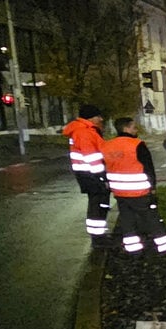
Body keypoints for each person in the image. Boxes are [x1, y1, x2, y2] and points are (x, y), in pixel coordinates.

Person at [102, 117, 166, 257]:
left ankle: (134, 250)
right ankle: (165, 248)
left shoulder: (107, 145)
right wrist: (152, 187)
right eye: (134, 127)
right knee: (151, 219)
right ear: (126, 128)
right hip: (139, 191)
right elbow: (148, 167)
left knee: (127, 221)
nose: (136, 130)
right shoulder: (137, 144)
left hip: (119, 192)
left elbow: (105, 167)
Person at [62, 104, 110, 247]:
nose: (101, 119)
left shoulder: (84, 130)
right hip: (91, 174)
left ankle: (99, 235)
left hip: (88, 173)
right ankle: (98, 238)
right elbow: (92, 157)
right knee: (98, 204)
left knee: (98, 203)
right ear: (91, 117)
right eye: (98, 116)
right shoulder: (84, 132)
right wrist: (103, 176)